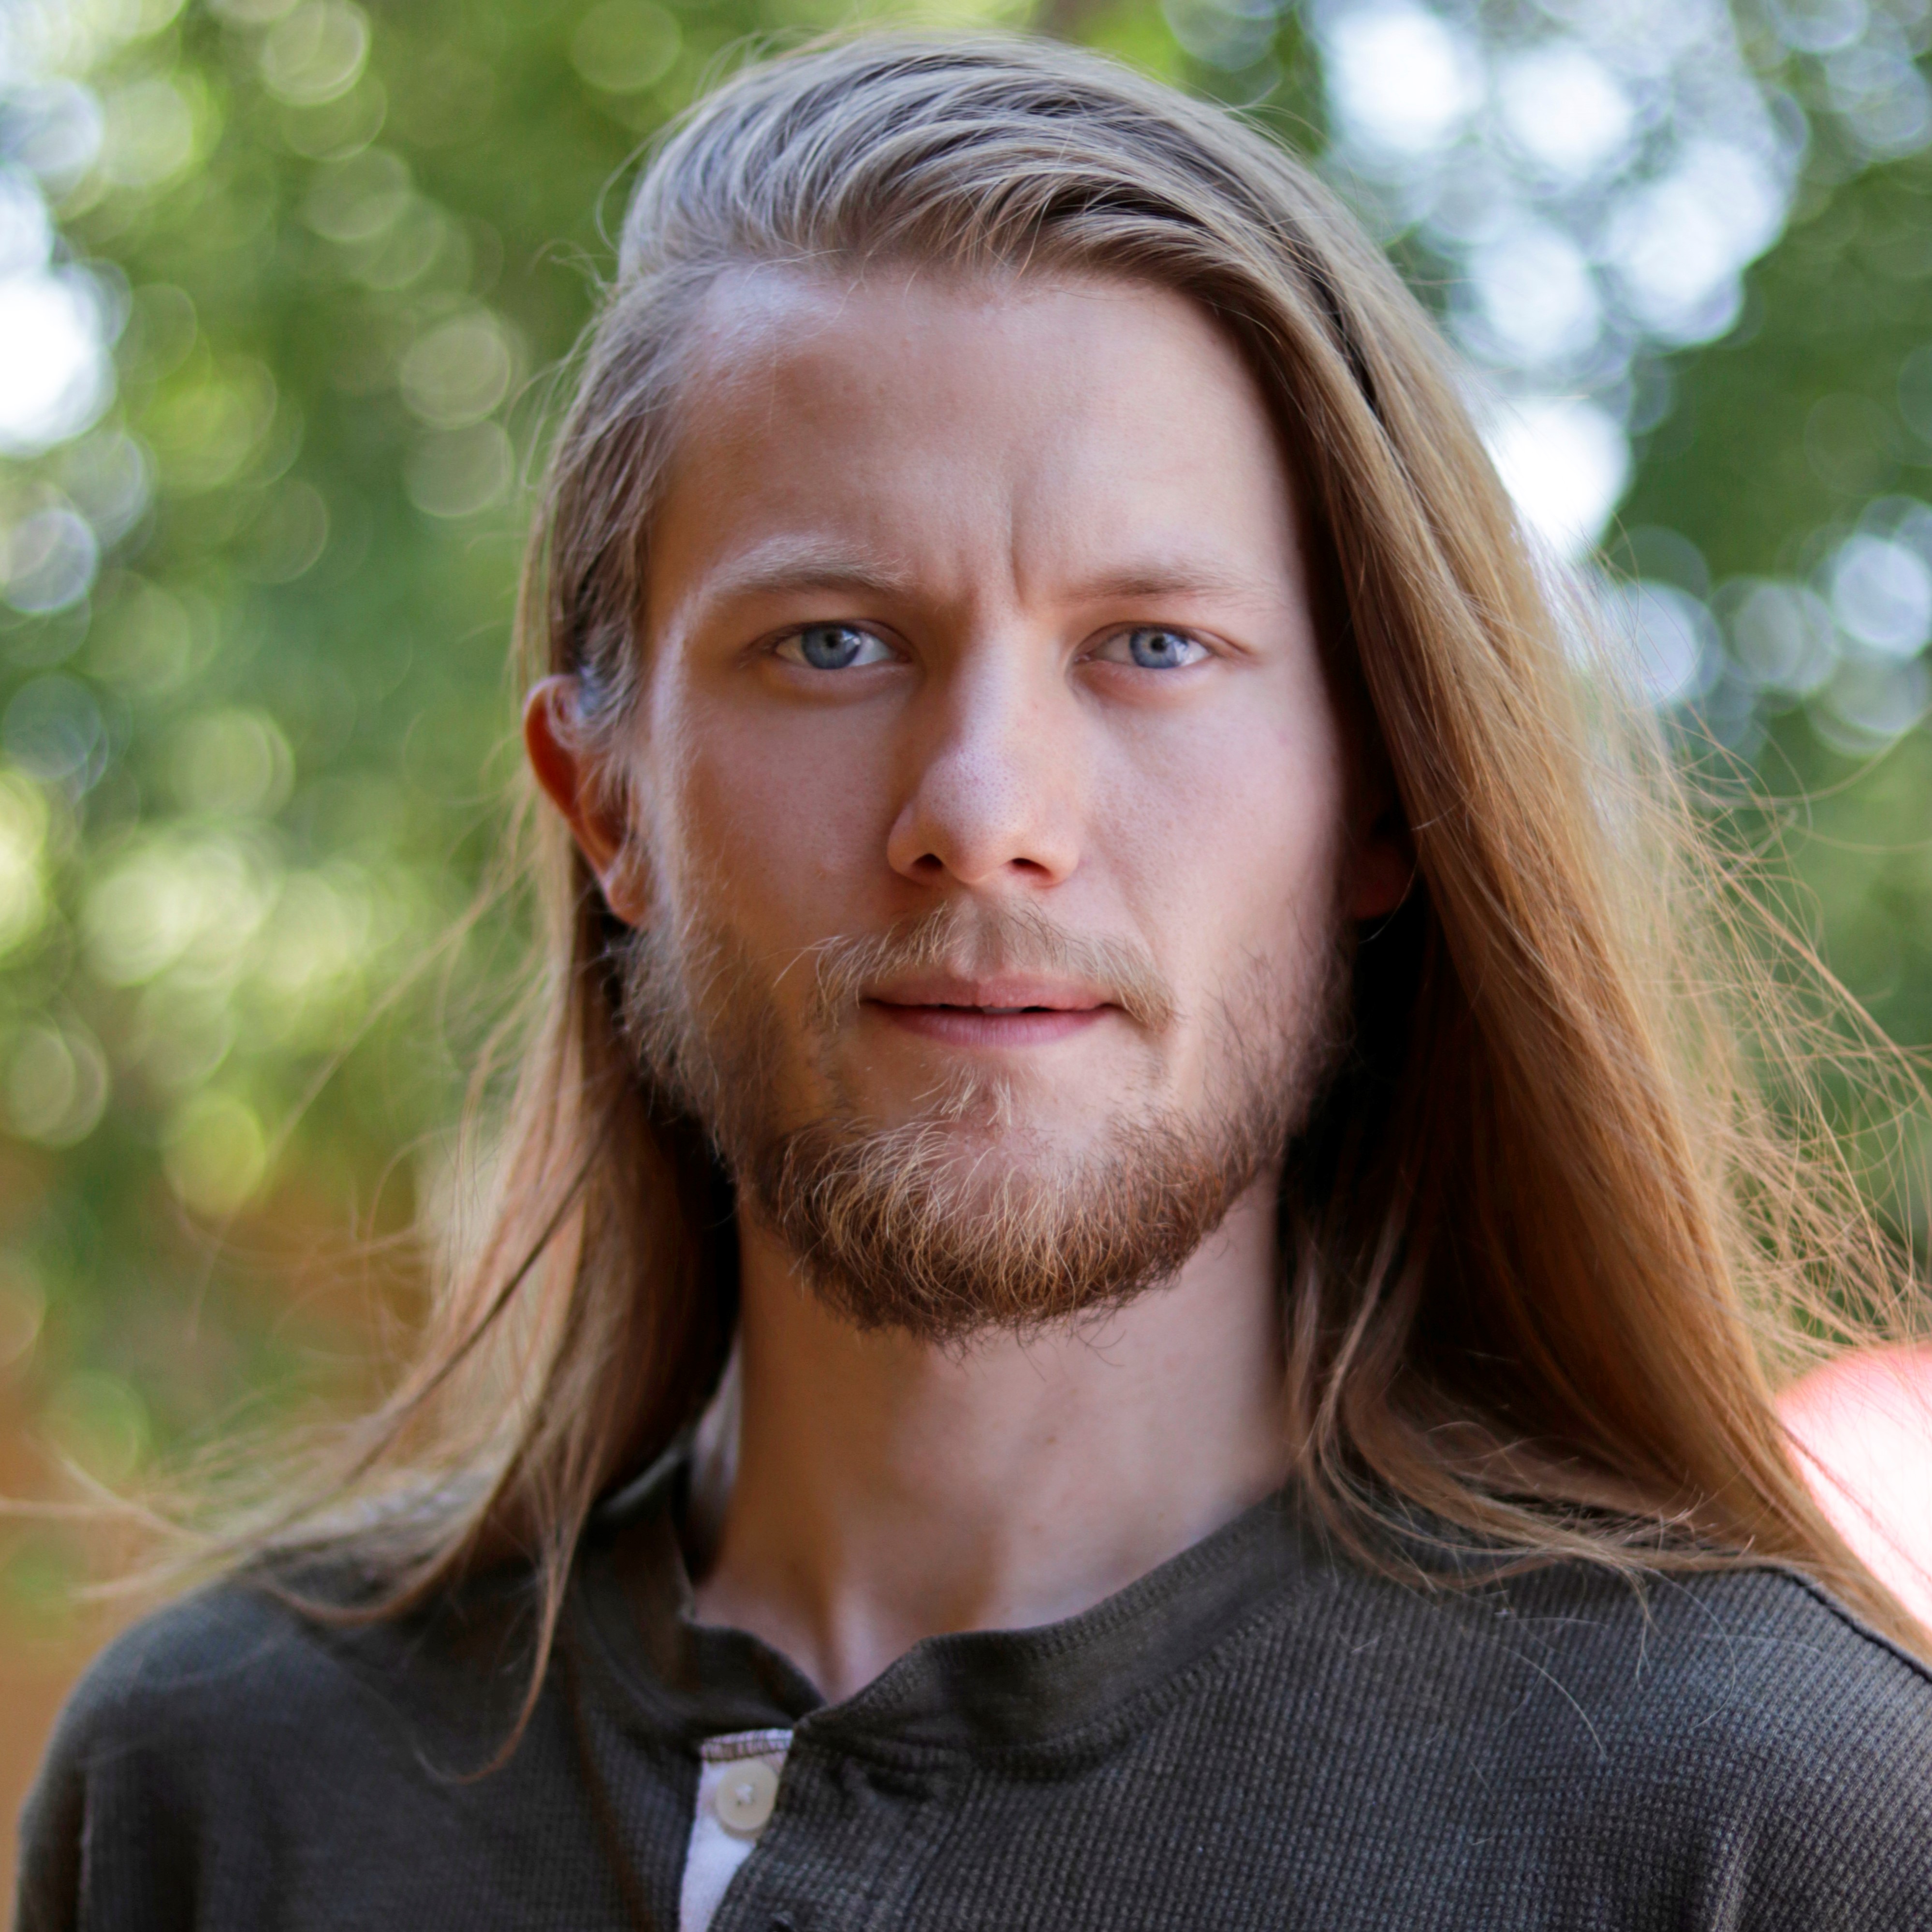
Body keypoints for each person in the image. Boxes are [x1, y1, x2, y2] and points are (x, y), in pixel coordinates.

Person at [17, 33, 1932, 1932]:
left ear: (1380, 797)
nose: (984, 815)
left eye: (1154, 646)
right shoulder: (221, 1791)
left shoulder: (1763, 1825)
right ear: (601, 798)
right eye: (833, 642)